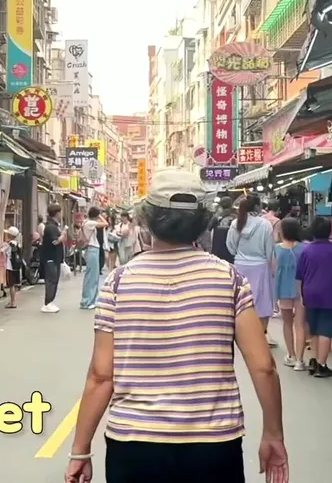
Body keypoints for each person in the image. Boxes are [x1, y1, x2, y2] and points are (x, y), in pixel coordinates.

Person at [64, 169, 288, 483]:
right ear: (203, 221)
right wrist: (274, 434)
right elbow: (263, 366)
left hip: (134, 444)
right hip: (213, 445)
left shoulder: (119, 282)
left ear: (146, 220)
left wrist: (80, 450)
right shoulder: (229, 279)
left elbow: (101, 376)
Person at [295, 217, 332, 378]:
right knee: (326, 330)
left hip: (309, 293)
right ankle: (322, 365)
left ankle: (313, 359)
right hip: (329, 294)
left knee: (313, 329)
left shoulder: (306, 251)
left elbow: (299, 276)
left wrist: (302, 295)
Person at [227, 195, 276, 347]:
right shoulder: (265, 225)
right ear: (256, 207)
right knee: (262, 304)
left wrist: (238, 254)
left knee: (241, 302)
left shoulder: (236, 223)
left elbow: (230, 246)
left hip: (240, 266)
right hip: (260, 266)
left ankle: (243, 337)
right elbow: (270, 251)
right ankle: (261, 335)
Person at [273, 218, 304, 371]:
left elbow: (273, 270)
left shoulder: (276, 249)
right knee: (300, 325)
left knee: (287, 323)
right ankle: (300, 360)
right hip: (301, 289)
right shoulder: (303, 248)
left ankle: (291, 355)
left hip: (283, 289)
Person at [41, 204, 65, 313]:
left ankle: (50, 301)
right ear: (57, 213)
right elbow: (55, 241)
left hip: (55, 258)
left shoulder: (54, 226)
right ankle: (47, 303)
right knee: (51, 280)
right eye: (60, 212)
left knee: (54, 280)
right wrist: (62, 236)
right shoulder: (51, 227)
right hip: (50, 258)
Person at [80, 207, 106, 310]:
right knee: (92, 276)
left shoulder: (86, 222)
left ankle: (89, 300)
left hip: (91, 249)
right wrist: (100, 215)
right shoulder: (90, 223)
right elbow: (105, 223)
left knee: (91, 275)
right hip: (92, 249)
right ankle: (87, 301)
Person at [4, 226, 23, 309]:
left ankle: (13, 302)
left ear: (10, 235)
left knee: (11, 285)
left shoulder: (8, 244)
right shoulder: (17, 244)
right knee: (15, 285)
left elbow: (0, 250)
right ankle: (13, 301)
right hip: (16, 267)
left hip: (10, 266)